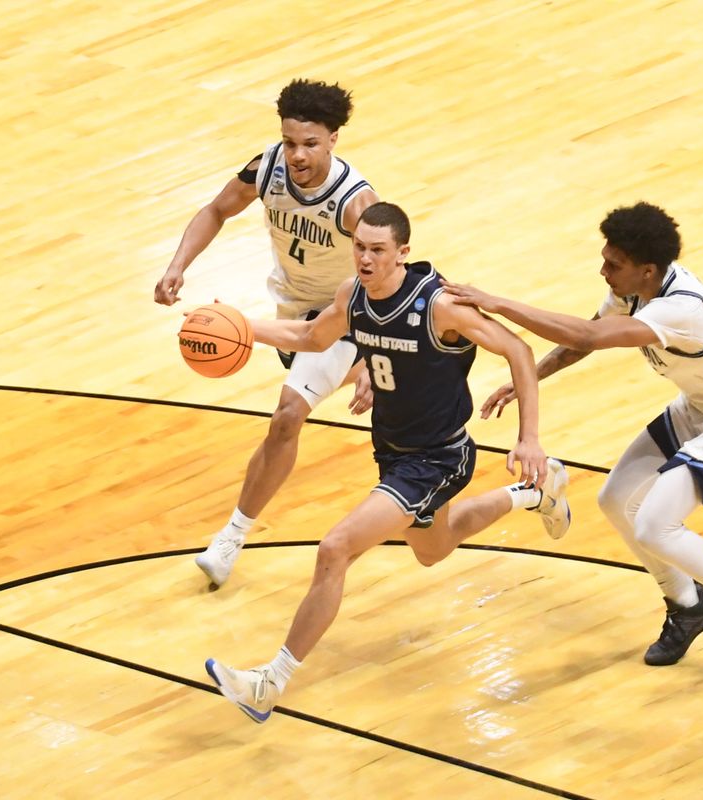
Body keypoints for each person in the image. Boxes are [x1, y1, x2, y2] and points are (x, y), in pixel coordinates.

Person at [205, 202, 571, 723]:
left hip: (436, 458)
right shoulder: (352, 296)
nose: (366, 259)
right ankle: (537, 493)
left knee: (334, 549)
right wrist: (243, 324)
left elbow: (517, 349)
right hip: (394, 454)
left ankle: (270, 682)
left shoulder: (439, 305)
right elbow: (311, 338)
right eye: (360, 247)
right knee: (433, 549)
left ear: (403, 253)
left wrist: (528, 437)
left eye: (378, 250)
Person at [442, 201, 703, 681]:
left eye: (614, 264)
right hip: (698, 408)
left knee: (655, 526)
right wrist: (533, 376)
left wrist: (500, 303)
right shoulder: (635, 292)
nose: (603, 270)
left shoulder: (681, 309)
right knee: (615, 500)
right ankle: (688, 605)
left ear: (647, 270)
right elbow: (583, 340)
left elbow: (587, 332)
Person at [155, 79, 380, 588]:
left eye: (311, 144)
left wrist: (370, 355)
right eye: (290, 141)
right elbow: (216, 209)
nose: (298, 155)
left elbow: (388, 281)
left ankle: (230, 539)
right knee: (301, 403)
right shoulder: (268, 167)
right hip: (295, 312)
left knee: (287, 417)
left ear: (334, 139)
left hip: (349, 316)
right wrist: (178, 265)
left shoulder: (355, 202)